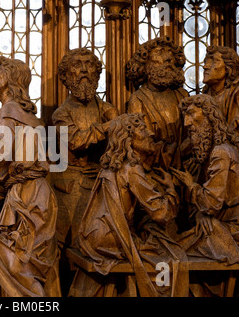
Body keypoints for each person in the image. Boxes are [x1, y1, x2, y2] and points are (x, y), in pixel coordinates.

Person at [0, 56, 61, 297]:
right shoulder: (27, 115)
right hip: (37, 194)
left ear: (8, 80)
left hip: (27, 196)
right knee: (25, 264)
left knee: (15, 265)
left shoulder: (9, 110)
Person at [69, 113, 187, 297]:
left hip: (94, 236)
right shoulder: (132, 169)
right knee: (171, 254)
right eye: (142, 129)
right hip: (110, 240)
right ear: (128, 138)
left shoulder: (113, 165)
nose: (150, 134)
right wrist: (172, 190)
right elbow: (161, 214)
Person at [51, 47, 119, 245]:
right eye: (77, 65)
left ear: (96, 74)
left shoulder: (107, 109)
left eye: (89, 65)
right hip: (70, 185)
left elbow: (119, 147)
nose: (83, 71)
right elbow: (75, 141)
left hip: (101, 181)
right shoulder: (61, 114)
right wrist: (108, 126)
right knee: (73, 242)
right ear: (65, 75)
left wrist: (104, 166)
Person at [171, 94, 239, 265]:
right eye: (185, 116)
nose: (187, 123)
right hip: (221, 224)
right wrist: (203, 215)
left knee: (172, 253)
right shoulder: (209, 153)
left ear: (210, 115)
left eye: (192, 114)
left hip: (232, 231)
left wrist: (190, 184)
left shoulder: (221, 152)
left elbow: (210, 203)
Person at [126, 36, 188, 169]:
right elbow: (140, 142)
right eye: (159, 59)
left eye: (170, 60)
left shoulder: (182, 95)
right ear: (145, 66)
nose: (167, 62)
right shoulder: (138, 99)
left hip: (185, 163)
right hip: (155, 167)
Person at [202, 46, 239, 132]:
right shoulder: (205, 94)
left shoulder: (236, 94)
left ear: (228, 68)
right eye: (206, 61)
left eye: (214, 61)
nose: (205, 66)